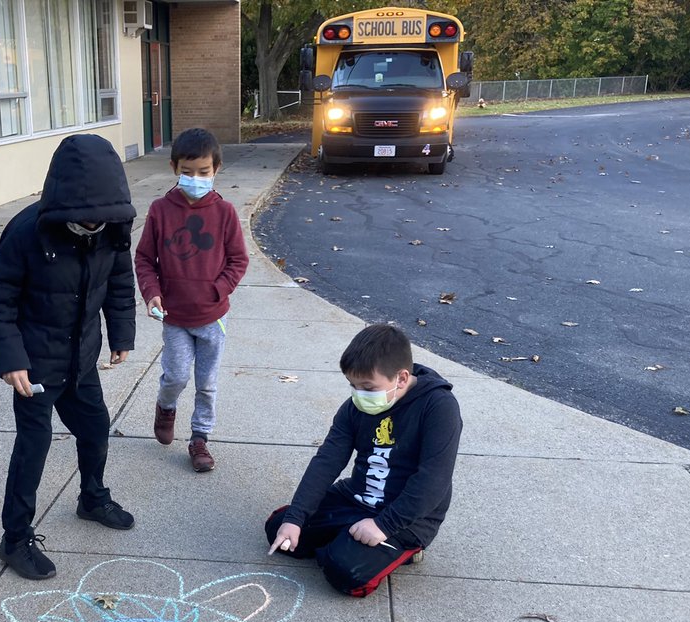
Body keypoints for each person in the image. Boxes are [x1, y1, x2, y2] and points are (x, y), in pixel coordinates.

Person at [0, 134, 137, 581]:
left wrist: (121, 334)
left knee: (95, 428)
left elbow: (120, 285)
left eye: (100, 222)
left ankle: (92, 497)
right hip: (36, 365)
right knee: (34, 446)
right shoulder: (28, 231)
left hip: (82, 358)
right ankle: (15, 538)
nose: (93, 229)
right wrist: (11, 360)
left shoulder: (112, 229)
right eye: (85, 223)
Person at [266, 324, 462, 597]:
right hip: (356, 498)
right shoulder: (355, 406)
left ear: (402, 378)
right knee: (280, 527)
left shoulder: (438, 407)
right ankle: (345, 538)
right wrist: (297, 518)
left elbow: (433, 480)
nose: (359, 394)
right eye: (353, 386)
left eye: (367, 387)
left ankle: (401, 551)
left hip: (409, 518)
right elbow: (327, 460)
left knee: (345, 573)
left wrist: (384, 526)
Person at [135, 127, 249, 472]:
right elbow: (144, 259)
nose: (196, 178)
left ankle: (200, 438)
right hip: (175, 317)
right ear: (174, 168)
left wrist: (218, 290)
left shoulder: (225, 213)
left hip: (213, 316)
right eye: (187, 172)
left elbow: (238, 260)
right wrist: (152, 293)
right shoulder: (160, 210)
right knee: (176, 377)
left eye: (203, 172)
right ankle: (165, 407)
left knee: (207, 384)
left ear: (216, 170)